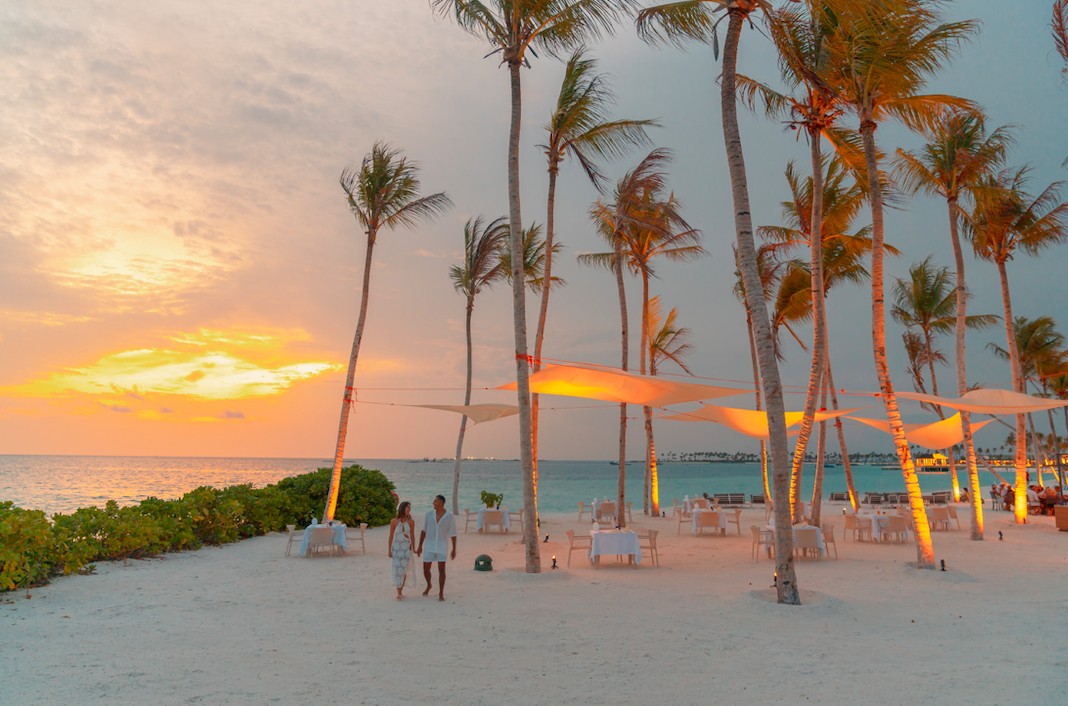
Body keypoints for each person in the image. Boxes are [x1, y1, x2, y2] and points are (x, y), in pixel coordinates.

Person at [416, 494, 457, 601]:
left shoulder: (449, 516)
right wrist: (420, 545)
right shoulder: (428, 515)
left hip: (442, 546)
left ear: (441, 503)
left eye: (435, 501)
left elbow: (453, 533)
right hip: (429, 545)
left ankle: (441, 592)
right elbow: (423, 530)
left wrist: (454, 549)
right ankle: (429, 585)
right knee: (425, 570)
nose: (433, 503)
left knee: (442, 570)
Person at [388, 501, 415, 600]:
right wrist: (389, 550)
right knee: (396, 570)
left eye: (410, 508)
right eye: (408, 507)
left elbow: (412, 536)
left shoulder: (411, 522)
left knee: (403, 571)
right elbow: (391, 536)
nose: (409, 509)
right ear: (403, 508)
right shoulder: (394, 521)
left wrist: (414, 548)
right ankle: (398, 592)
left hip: (406, 549)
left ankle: (401, 591)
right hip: (396, 549)